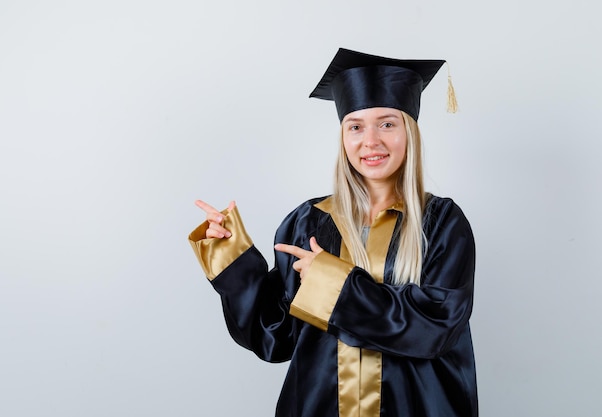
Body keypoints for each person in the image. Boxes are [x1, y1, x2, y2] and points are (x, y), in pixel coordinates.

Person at [188, 48, 478, 417]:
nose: (370, 141)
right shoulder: (309, 222)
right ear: (343, 136)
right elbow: (274, 337)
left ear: (410, 131)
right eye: (355, 126)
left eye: (387, 123)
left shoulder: (442, 223)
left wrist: (330, 282)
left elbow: (434, 328)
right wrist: (231, 259)